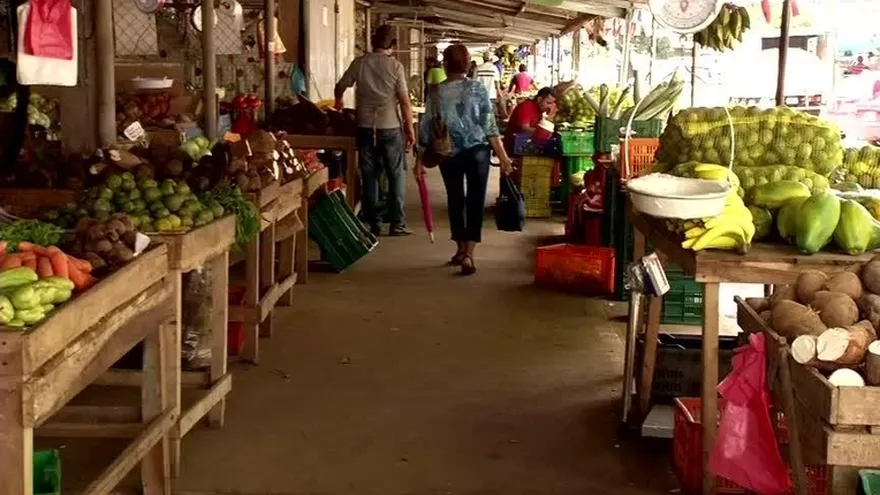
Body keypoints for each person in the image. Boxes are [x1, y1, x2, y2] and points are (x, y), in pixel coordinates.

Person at [416, 43, 514, 276]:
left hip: (447, 153)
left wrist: (419, 160)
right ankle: (469, 253)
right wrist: (504, 157)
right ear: (468, 64)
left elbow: (426, 128)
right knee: (475, 200)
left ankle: (460, 249)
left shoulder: (436, 92)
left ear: (446, 64)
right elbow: (490, 127)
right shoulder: (478, 89)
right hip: (478, 152)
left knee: (455, 199)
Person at [335, 25, 415, 237]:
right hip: (389, 127)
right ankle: (397, 224)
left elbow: (340, 85)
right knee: (395, 174)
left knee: (369, 175)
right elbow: (404, 102)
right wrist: (409, 128)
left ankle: (373, 223)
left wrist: (339, 101)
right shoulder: (395, 66)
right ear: (393, 45)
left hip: (364, 126)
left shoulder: (359, 63)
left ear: (372, 42)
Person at [502, 87, 557, 185]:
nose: (550, 106)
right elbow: (525, 130)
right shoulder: (526, 107)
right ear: (539, 99)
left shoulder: (538, 110)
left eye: (552, 103)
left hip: (525, 146)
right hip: (514, 148)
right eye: (548, 103)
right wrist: (547, 124)